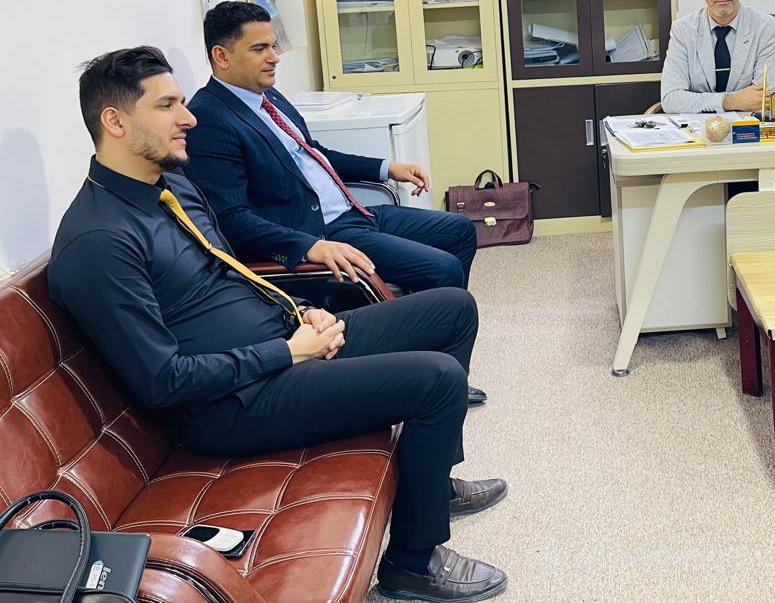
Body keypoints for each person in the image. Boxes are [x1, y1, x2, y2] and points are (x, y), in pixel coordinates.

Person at [48, 47, 507, 602]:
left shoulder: (172, 187)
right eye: (167, 106)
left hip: (282, 341)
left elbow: (232, 275)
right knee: (438, 380)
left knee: (452, 308)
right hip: (231, 403)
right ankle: (413, 561)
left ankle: (431, 481)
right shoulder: (99, 241)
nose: (188, 118)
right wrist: (289, 352)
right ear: (115, 121)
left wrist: (300, 312)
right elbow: (163, 381)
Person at [183, 3, 489, 402]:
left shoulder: (267, 96)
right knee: (441, 268)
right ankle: (441, 380)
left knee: (459, 230)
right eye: (260, 49)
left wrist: (386, 167)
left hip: (353, 212)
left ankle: (436, 355)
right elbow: (230, 219)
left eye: (274, 46)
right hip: (320, 233)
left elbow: (315, 152)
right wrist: (309, 245)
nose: (274, 57)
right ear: (221, 56)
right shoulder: (209, 119)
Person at [659, 0, 775, 114]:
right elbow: (671, 99)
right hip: (697, 128)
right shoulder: (683, 31)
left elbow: (761, 99)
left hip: (748, 126)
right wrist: (729, 101)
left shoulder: (766, 28)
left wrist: (697, 101)